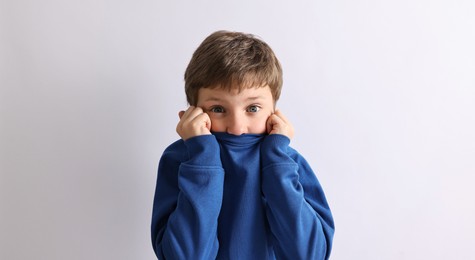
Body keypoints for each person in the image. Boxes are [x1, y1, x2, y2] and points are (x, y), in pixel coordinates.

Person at [151, 30, 334, 259]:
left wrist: (276, 161)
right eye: (218, 109)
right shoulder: (180, 159)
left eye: (252, 108)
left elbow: (309, 255)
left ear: (274, 111)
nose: (236, 128)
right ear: (193, 112)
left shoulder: (288, 162)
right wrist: (202, 158)